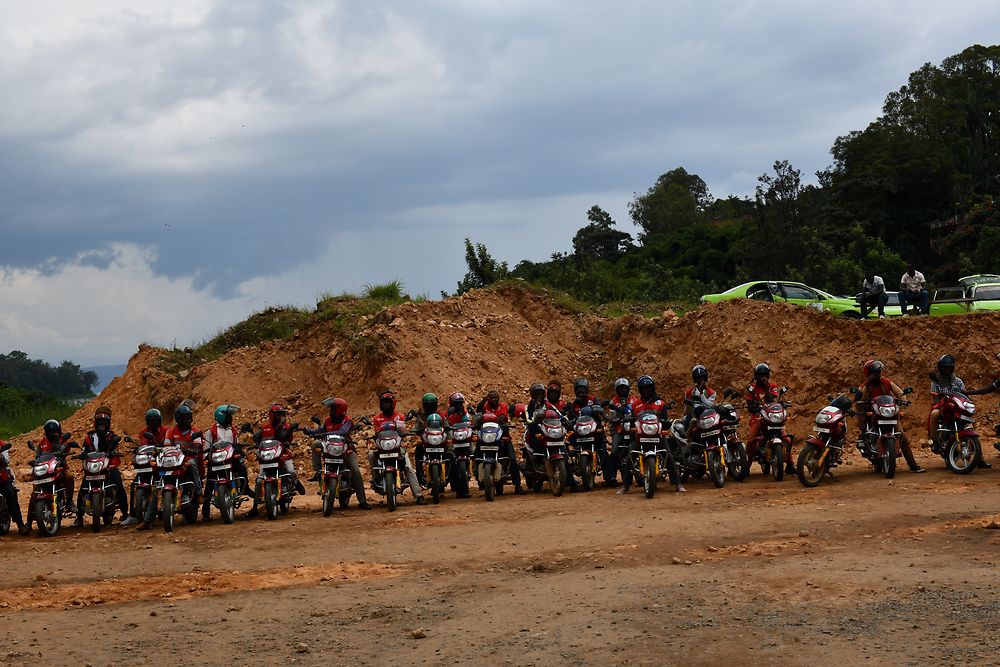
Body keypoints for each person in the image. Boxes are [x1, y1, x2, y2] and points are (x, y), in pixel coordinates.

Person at [928, 355, 999, 466]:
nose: (947, 370)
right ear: (940, 368)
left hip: (957, 408)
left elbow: (963, 395)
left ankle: (979, 459)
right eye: (945, 367)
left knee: (970, 425)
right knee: (934, 413)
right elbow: (935, 399)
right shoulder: (935, 382)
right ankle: (935, 441)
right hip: (943, 408)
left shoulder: (958, 382)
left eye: (949, 367)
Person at [855, 360, 925, 473]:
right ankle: (865, 437)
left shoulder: (886, 382)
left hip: (888, 414)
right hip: (874, 415)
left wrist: (903, 402)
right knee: (863, 420)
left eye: (878, 372)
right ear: (869, 373)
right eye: (875, 372)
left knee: (901, 435)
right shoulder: (865, 386)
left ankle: (913, 465)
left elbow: (900, 393)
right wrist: (860, 402)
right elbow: (858, 399)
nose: (877, 375)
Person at [304, 397, 371, 509]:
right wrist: (308, 431)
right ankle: (317, 471)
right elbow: (319, 431)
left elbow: (343, 431)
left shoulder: (347, 421)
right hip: (330, 448)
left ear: (340, 410)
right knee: (315, 444)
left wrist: (325, 433)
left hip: (345, 449)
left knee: (356, 472)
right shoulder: (327, 420)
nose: (330, 411)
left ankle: (362, 501)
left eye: (333, 409)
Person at [624, 375, 683, 493]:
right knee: (630, 455)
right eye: (644, 388)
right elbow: (631, 419)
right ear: (640, 390)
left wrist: (666, 426)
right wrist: (628, 424)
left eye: (648, 388)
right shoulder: (635, 404)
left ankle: (677, 484)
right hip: (641, 436)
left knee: (668, 456)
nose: (646, 390)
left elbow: (664, 419)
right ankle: (625, 486)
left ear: (652, 388)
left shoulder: (660, 403)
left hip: (657, 435)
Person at [72, 407, 129, 527]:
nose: (101, 425)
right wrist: (82, 454)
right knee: (83, 488)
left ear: (108, 424)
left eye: (104, 423)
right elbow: (84, 449)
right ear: (95, 423)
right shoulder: (89, 438)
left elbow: (115, 448)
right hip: (93, 467)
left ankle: (125, 513)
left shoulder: (112, 437)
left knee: (118, 485)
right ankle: (79, 517)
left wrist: (113, 452)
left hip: (109, 466)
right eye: (99, 422)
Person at [248, 403, 307, 516]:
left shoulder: (286, 426)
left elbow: (285, 437)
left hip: (282, 454)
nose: (281, 417)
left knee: (291, 471)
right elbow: (259, 437)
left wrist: (288, 429)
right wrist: (256, 443)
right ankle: (255, 507)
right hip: (268, 457)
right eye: (278, 415)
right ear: (272, 415)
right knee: (259, 481)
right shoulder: (265, 427)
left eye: (282, 414)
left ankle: (296, 482)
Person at [368, 390, 427, 505]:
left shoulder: (399, 416)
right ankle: (377, 478)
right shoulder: (376, 419)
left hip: (397, 447)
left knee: (408, 467)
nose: (385, 405)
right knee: (371, 455)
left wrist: (404, 433)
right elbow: (376, 433)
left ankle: (418, 495)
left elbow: (402, 431)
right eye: (383, 403)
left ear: (392, 403)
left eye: (387, 402)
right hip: (382, 447)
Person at [201, 404, 252, 519]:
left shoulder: (232, 430)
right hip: (216, 460)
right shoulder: (212, 431)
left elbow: (236, 443)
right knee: (209, 483)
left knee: (242, 468)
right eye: (229, 415)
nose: (231, 418)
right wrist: (207, 458)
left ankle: (246, 488)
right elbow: (206, 448)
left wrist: (239, 452)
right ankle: (205, 512)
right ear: (222, 416)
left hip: (230, 458)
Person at [743, 364, 794, 474]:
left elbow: (771, 399)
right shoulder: (752, 389)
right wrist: (752, 406)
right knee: (751, 441)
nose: (763, 377)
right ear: (756, 376)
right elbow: (749, 403)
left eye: (765, 375)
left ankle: (790, 464)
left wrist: (766, 387)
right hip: (757, 417)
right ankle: (746, 467)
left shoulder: (773, 387)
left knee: (787, 440)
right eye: (761, 375)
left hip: (771, 416)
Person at [474, 389, 526, 495]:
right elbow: (478, 411)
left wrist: (489, 419)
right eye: (491, 398)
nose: (493, 400)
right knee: (476, 456)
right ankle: (480, 479)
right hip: (487, 437)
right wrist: (484, 400)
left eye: (495, 398)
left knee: (512, 459)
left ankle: (517, 485)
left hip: (502, 436)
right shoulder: (485, 406)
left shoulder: (502, 406)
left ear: (498, 399)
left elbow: (502, 418)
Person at [566, 378, 611, 487]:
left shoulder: (593, 400)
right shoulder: (574, 404)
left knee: (603, 451)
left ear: (587, 390)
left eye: (583, 390)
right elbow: (571, 417)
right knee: (569, 450)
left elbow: (600, 409)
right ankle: (570, 479)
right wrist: (569, 417)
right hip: (580, 431)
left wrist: (600, 412)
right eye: (578, 390)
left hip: (594, 429)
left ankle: (609, 478)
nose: (581, 392)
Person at [608, 378, 639, 493]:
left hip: (631, 427)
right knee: (615, 450)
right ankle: (611, 476)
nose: (622, 391)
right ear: (616, 390)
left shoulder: (633, 400)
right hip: (618, 429)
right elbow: (611, 417)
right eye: (620, 389)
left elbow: (638, 412)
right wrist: (617, 419)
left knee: (639, 447)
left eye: (624, 388)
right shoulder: (613, 402)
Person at [409, 393, 445, 487]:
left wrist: (448, 429)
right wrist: (417, 430)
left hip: (440, 442)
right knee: (418, 451)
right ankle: (420, 477)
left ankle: (456, 482)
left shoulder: (440, 415)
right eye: (427, 404)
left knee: (451, 455)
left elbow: (446, 424)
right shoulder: (421, 415)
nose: (429, 407)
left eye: (431, 404)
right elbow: (417, 427)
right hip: (427, 442)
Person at [1, 438, 29, 535]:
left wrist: (0, 456)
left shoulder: (2, 444)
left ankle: (20, 524)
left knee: (11, 494)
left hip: (2, 476)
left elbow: (6, 461)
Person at [683, 365, 718, 437]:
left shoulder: (712, 392)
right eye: (698, 378)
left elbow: (709, 406)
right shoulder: (689, 392)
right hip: (694, 416)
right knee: (687, 423)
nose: (700, 380)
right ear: (695, 379)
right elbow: (688, 408)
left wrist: (701, 394)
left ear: (705, 378)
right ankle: (687, 438)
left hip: (708, 416)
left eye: (702, 378)